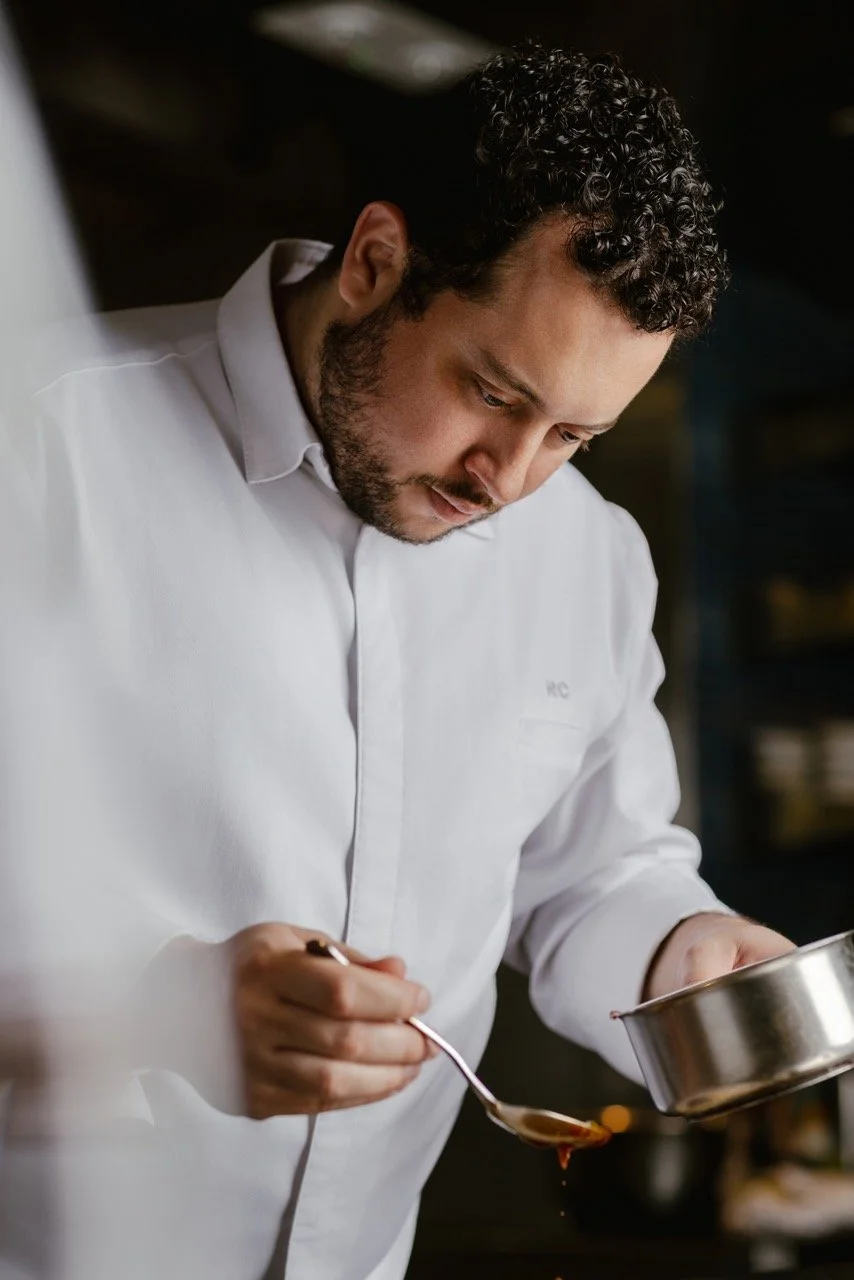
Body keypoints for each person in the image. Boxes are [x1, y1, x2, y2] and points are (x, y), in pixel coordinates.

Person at [1, 41, 794, 1280]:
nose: (509, 478)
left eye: (573, 436)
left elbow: (593, 872)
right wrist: (156, 1008)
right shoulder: (43, 442)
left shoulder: (584, 554)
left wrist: (679, 948)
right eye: (491, 390)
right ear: (376, 260)